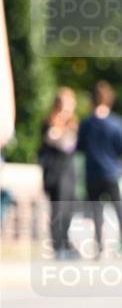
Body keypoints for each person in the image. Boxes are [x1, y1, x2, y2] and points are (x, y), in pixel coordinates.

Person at [76, 81, 122, 258]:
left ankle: (99, 248)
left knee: (96, 213)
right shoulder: (116, 123)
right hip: (112, 173)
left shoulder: (86, 123)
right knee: (119, 210)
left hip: (93, 173)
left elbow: (79, 147)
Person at [38, 87, 79, 259]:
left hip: (68, 168)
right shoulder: (50, 120)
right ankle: (57, 245)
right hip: (55, 169)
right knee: (58, 208)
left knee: (68, 208)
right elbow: (54, 141)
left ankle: (66, 241)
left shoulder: (73, 122)